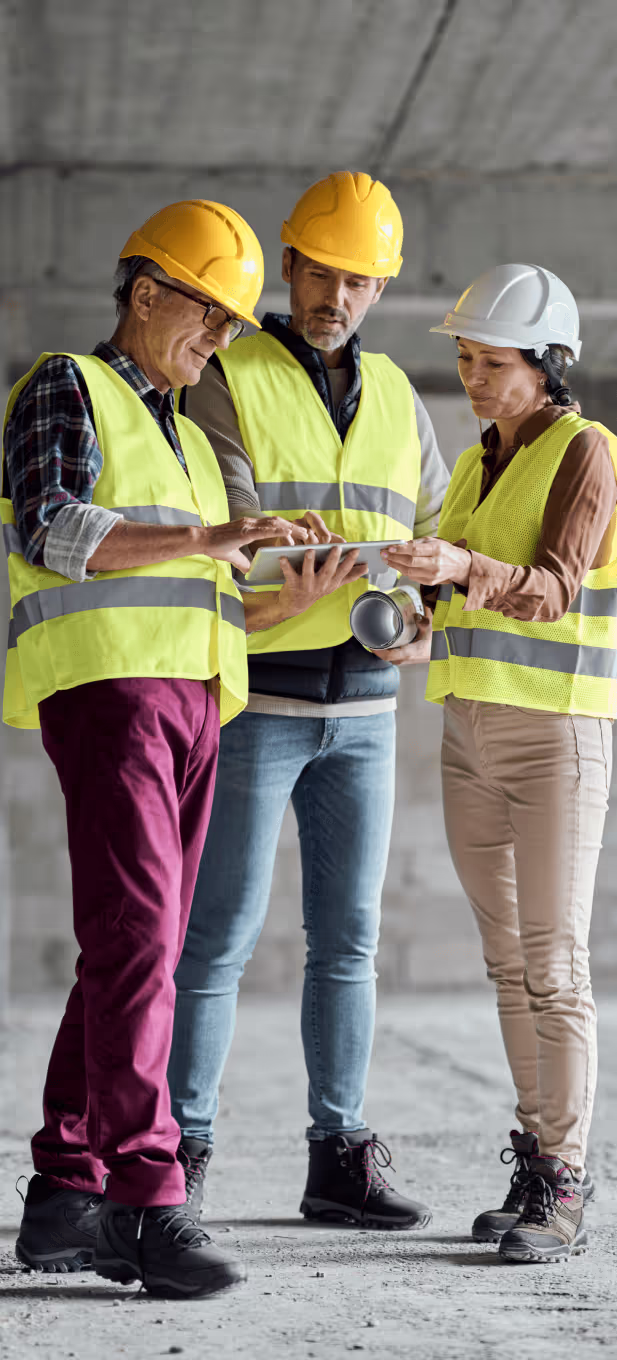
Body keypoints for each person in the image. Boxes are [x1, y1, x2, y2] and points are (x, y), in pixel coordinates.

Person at [2, 200, 365, 1299]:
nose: (220, 337)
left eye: (228, 321)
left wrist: (279, 585)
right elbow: (50, 527)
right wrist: (212, 537)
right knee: (142, 941)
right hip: (111, 691)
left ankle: (65, 1188)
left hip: (197, 700)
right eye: (206, 312)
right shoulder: (68, 382)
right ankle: (143, 1198)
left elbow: (201, 587)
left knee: (130, 942)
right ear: (147, 290)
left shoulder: (189, 435)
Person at [168, 171, 449, 1229]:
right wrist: (294, 582)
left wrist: (427, 602)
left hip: (367, 707)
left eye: (360, 279)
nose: (339, 293)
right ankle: (179, 1152)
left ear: (380, 288)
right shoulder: (225, 377)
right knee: (220, 936)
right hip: (259, 699)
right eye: (323, 271)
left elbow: (429, 523)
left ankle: (337, 1153)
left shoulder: (397, 399)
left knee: (348, 938)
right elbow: (228, 531)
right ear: (288, 265)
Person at [381, 263, 617, 1263]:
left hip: (552, 733)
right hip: (467, 733)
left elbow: (554, 589)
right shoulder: (476, 466)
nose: (474, 379)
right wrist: (416, 624)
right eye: (465, 360)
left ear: (547, 364)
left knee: (554, 962)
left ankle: (562, 1177)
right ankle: (532, 1153)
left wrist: (458, 568)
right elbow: (467, 602)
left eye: (493, 363)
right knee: (506, 965)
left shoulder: (585, 451)